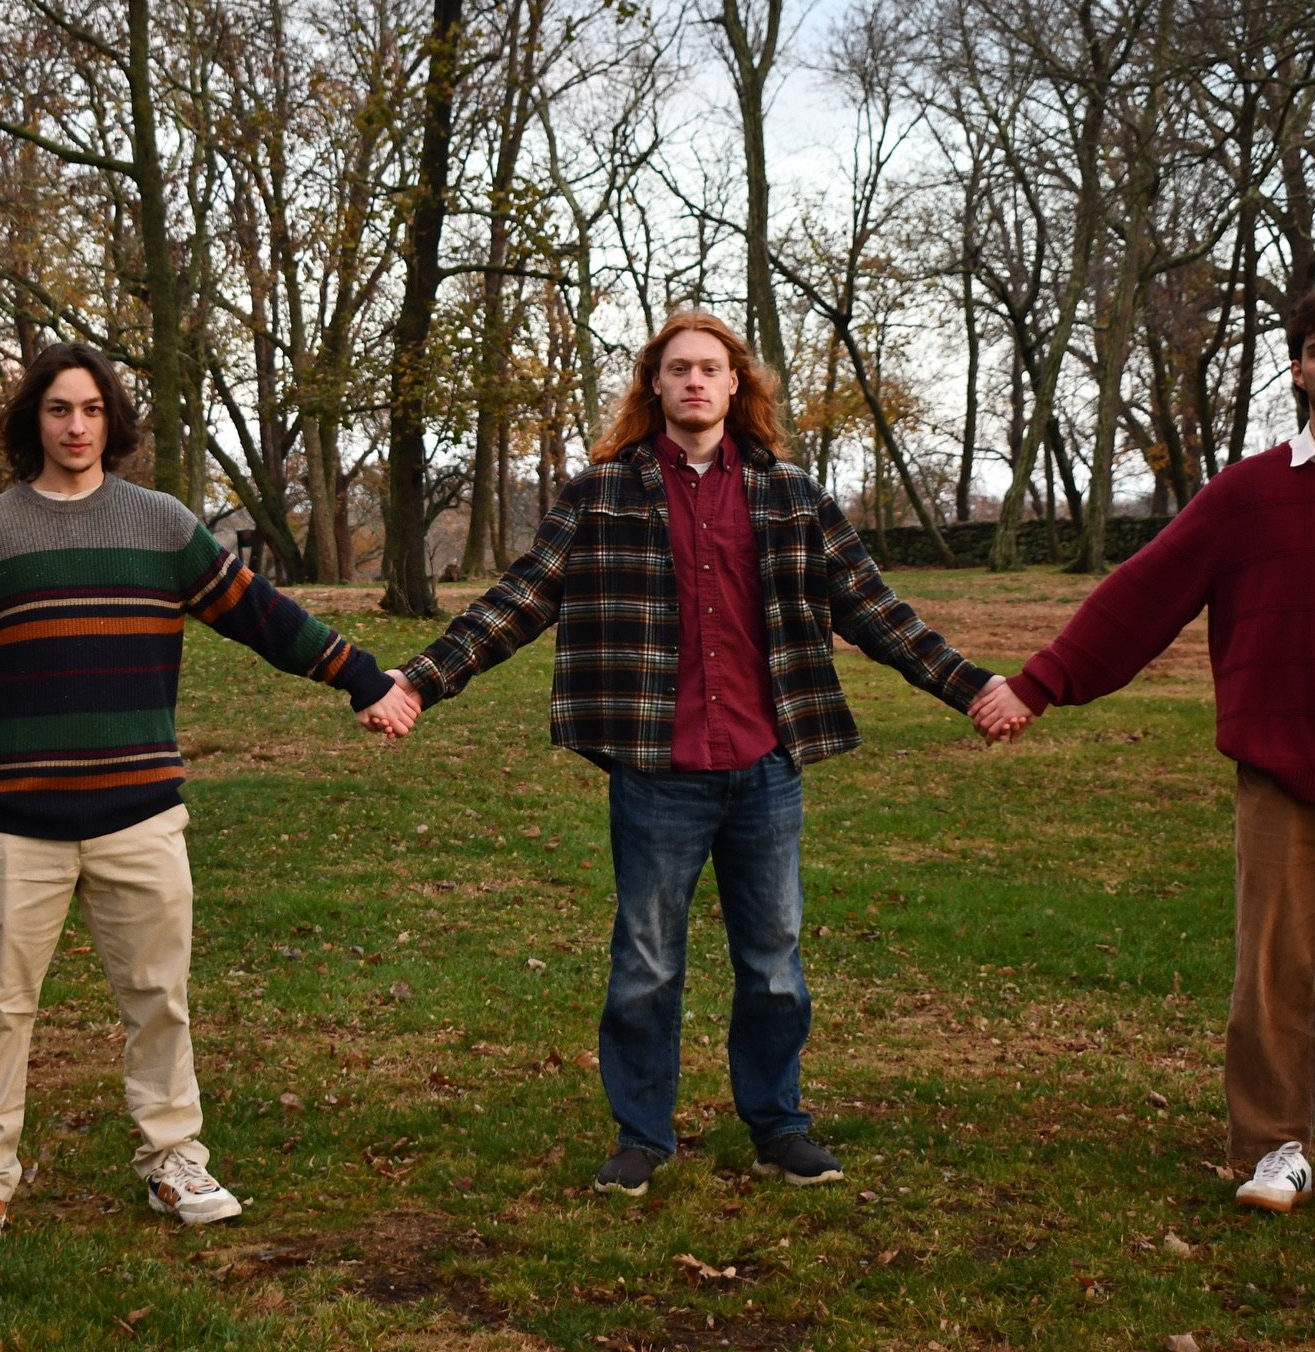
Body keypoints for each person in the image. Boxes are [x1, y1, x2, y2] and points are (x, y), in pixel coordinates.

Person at [388, 310, 1003, 1197]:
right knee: (645, 962)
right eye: (677, 369)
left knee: (775, 963)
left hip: (764, 766)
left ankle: (778, 1126)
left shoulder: (791, 495)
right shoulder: (602, 493)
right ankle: (642, 1135)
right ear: (655, 385)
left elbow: (875, 610)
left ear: (736, 386)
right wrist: (421, 679)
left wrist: (970, 686)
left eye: (710, 369)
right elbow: (521, 598)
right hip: (657, 770)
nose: (694, 383)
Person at [0, 342, 417, 1239]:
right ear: (36, 421)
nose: (75, 426)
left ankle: (174, 1162)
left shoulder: (162, 524)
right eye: (59, 410)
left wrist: (362, 678)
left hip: (139, 813)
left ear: (113, 421)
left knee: (157, 1000)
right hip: (17, 824)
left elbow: (264, 617)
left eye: (92, 410)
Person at [969, 287, 1315, 1233]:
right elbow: (1141, 599)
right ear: (1298, 369)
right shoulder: (1246, 495)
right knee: (1271, 984)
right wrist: (1040, 683)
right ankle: (1272, 1147)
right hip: (1282, 788)